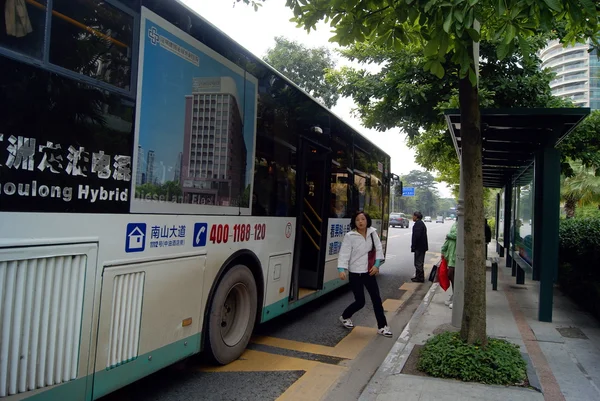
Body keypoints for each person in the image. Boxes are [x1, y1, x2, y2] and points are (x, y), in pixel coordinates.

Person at [337, 211, 392, 337]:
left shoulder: (373, 233)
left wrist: (377, 265)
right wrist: (341, 269)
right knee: (360, 301)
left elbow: (378, 249)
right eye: (357, 220)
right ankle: (345, 316)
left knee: (376, 300)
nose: (360, 222)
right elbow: (344, 253)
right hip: (355, 273)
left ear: (367, 220)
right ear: (354, 222)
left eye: (363, 219)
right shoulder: (350, 236)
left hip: (369, 272)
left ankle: (382, 327)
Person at [441, 220, 457, 308]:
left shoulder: (461, 225)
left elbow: (458, 235)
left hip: (456, 260)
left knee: (453, 277)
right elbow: (448, 240)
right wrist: (443, 251)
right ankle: (455, 296)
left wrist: (449, 235)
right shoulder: (455, 224)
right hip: (451, 259)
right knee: (451, 276)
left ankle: (456, 298)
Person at [411, 211, 429, 282]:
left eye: (413, 216)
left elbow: (416, 236)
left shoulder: (418, 224)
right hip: (422, 246)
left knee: (418, 262)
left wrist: (413, 246)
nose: (412, 217)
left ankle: (420, 277)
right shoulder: (420, 223)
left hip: (419, 247)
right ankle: (418, 276)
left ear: (416, 216)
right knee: (419, 261)